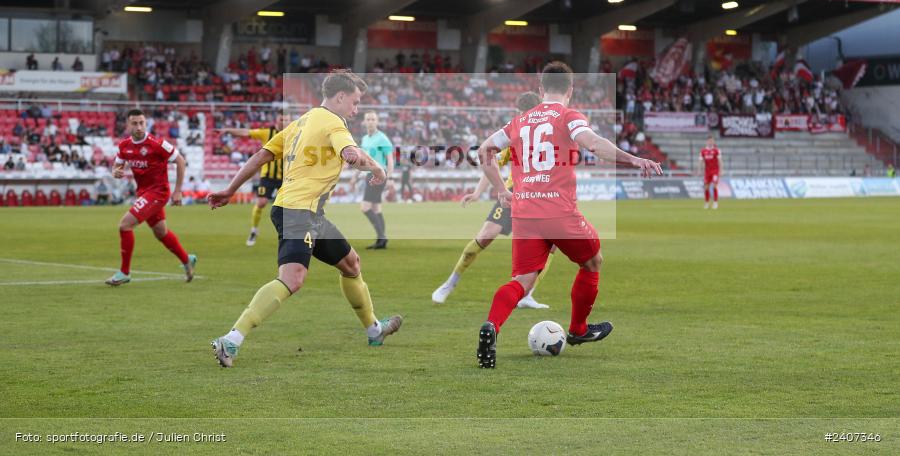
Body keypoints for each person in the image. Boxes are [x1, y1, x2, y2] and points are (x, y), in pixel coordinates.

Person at [208, 70, 403, 368]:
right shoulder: (335, 123)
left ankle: (374, 330)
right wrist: (377, 169)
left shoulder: (302, 121)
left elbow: (262, 156)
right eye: (355, 101)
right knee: (293, 278)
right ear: (340, 97)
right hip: (299, 212)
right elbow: (351, 154)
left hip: (306, 212)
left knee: (351, 263)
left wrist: (230, 190)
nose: (357, 108)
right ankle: (231, 339)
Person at [474, 62, 662, 368]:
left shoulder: (519, 121)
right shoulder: (568, 115)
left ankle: (491, 327)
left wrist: (499, 189)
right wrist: (633, 158)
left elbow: (484, 150)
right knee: (592, 261)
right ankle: (577, 329)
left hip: (524, 211)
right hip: (558, 210)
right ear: (570, 90)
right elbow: (595, 145)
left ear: (540, 89)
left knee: (522, 280)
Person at [432, 92, 552, 309]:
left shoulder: (549, 138)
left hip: (540, 197)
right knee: (486, 236)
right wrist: (478, 193)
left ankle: (528, 294)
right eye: (522, 114)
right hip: (513, 194)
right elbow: (490, 162)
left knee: (550, 246)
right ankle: (449, 283)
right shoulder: (515, 137)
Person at [105, 109, 197, 286]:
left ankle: (124, 272)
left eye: (142, 123)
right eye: (135, 123)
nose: (139, 127)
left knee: (125, 225)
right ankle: (187, 260)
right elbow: (117, 166)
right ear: (128, 125)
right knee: (161, 233)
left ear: (146, 124)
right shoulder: (124, 146)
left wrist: (177, 191)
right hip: (143, 194)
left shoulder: (157, 144)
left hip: (158, 193)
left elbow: (181, 161)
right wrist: (116, 172)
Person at [216, 114, 290, 246]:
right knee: (261, 203)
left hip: (286, 176)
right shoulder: (266, 133)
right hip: (268, 176)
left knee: (289, 206)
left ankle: (291, 235)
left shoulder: (293, 134)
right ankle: (254, 230)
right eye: (281, 119)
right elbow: (246, 132)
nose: (284, 121)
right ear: (276, 120)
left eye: (286, 119)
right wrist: (229, 130)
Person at [352, 111, 394, 249]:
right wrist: (355, 176)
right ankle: (381, 240)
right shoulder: (365, 139)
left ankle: (382, 237)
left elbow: (390, 159)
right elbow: (363, 160)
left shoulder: (382, 138)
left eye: (373, 119)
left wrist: (390, 177)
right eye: (368, 119)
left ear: (377, 122)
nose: (370, 121)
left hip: (379, 175)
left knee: (365, 207)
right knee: (376, 208)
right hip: (369, 175)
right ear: (364, 122)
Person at [699, 135, 722, 209]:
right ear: (707, 141)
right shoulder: (703, 151)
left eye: (712, 140)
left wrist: (721, 170)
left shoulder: (716, 150)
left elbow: (720, 161)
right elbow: (701, 161)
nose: (710, 142)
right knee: (706, 187)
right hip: (707, 172)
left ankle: (715, 202)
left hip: (715, 171)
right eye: (709, 140)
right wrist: (700, 170)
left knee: (715, 185)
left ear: (713, 141)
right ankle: (707, 202)